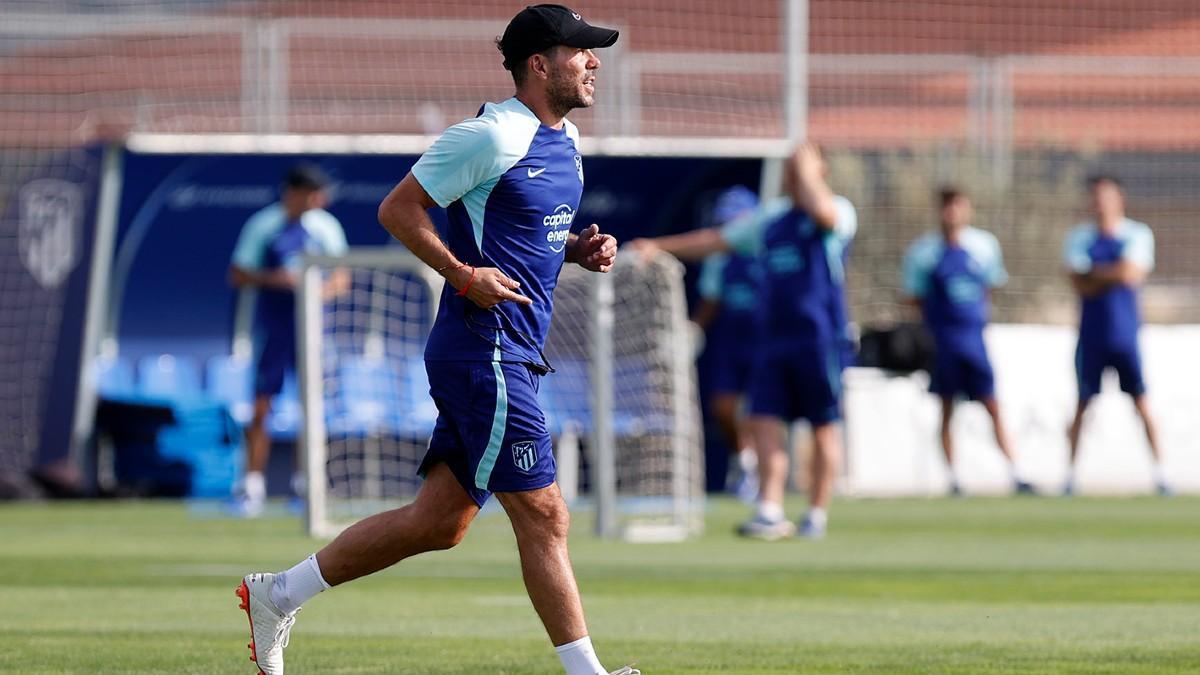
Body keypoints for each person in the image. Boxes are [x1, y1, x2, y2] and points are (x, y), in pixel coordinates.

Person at [236, 6, 637, 675]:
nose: (594, 61)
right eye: (581, 51)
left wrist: (575, 251)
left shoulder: (563, 144)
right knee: (544, 510)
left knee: (439, 524)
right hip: (486, 348)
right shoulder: (490, 135)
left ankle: (275, 594)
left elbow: (521, 237)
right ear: (540, 64)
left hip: (509, 353)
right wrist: (460, 273)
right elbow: (398, 208)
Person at [630, 142, 856, 540]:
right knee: (762, 418)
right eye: (790, 165)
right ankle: (769, 507)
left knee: (823, 425)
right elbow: (715, 240)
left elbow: (824, 215)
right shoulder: (770, 220)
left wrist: (807, 170)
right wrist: (657, 246)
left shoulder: (838, 208)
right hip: (773, 340)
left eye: (801, 164)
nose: (792, 170)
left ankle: (816, 513)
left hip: (819, 339)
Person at [228, 163, 349, 517]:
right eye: (314, 193)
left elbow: (341, 278)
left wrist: (316, 292)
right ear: (294, 193)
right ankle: (252, 487)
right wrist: (275, 280)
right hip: (274, 329)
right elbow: (237, 273)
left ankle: (306, 485)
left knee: (311, 405)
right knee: (263, 404)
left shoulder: (326, 227)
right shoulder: (263, 225)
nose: (321, 200)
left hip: (313, 331)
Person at [901, 187, 1032, 496]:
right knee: (947, 408)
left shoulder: (983, 246)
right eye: (946, 207)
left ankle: (1016, 473)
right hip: (943, 343)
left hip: (974, 341)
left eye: (957, 206)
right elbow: (913, 297)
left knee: (992, 405)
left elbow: (990, 288)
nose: (952, 213)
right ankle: (954, 478)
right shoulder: (924, 252)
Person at [1062, 175, 1167, 497]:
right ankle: (1070, 476)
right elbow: (1079, 281)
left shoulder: (1136, 233)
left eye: (1106, 196)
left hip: (1125, 336)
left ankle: (1161, 474)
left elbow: (1131, 273)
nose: (1101, 203)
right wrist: (1114, 273)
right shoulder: (1080, 237)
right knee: (1082, 404)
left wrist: (1097, 273)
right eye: (1096, 197)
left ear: (1119, 198)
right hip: (1090, 337)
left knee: (1141, 402)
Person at [691, 186, 764, 501]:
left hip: (765, 337)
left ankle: (761, 472)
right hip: (732, 339)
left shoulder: (768, 250)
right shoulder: (720, 259)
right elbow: (711, 300)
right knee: (723, 408)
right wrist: (692, 330)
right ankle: (744, 461)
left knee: (762, 411)